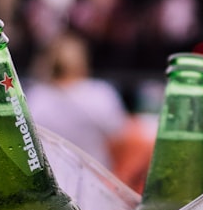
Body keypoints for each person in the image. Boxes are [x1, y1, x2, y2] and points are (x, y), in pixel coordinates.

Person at [26, 31, 128, 173]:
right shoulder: (100, 93)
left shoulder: (36, 97)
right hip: (94, 180)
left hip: (51, 181)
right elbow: (121, 139)